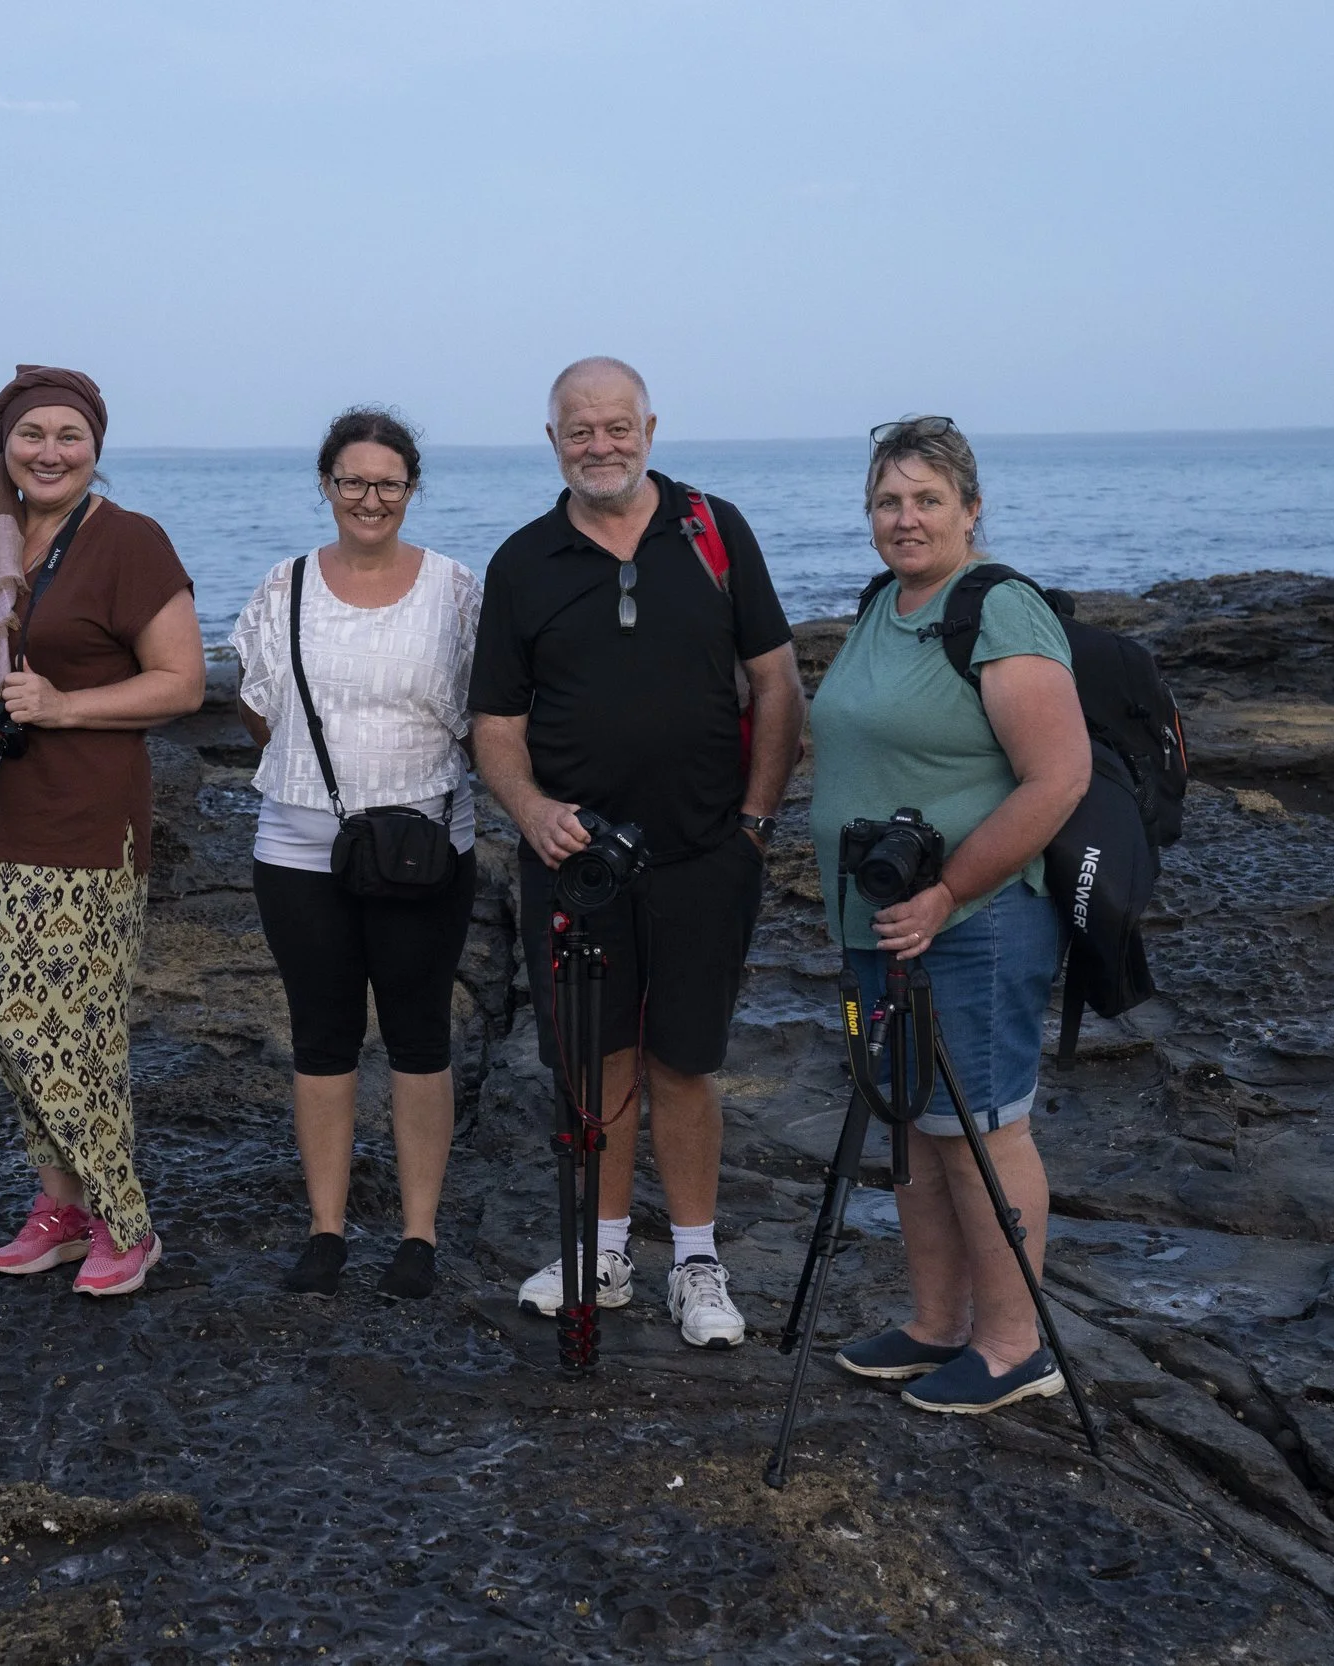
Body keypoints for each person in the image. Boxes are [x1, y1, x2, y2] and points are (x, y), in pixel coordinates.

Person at [468, 357, 805, 1348]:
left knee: (685, 1062)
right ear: (553, 441)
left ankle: (696, 1261)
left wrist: (754, 823)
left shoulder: (713, 530)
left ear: (649, 428)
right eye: (580, 429)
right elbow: (493, 723)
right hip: (575, 863)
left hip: (707, 853)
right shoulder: (522, 561)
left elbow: (778, 685)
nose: (600, 443)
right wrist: (530, 811)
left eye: (617, 426)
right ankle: (604, 1250)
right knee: (592, 1059)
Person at [0, 366, 205, 1298]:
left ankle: (128, 1222)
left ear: (96, 447)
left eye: (69, 435)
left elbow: (183, 683)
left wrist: (65, 705)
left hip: (78, 828)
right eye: (30, 433)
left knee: (63, 1032)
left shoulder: (130, 543)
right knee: (8, 1027)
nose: (49, 451)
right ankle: (61, 1209)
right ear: (4, 443)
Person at [810, 415, 1090, 1415]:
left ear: (972, 509)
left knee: (982, 1126)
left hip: (972, 920)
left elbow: (1057, 776)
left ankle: (1014, 1345)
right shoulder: (884, 603)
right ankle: (935, 1325)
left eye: (927, 499)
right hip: (883, 921)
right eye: (887, 500)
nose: (905, 517)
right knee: (918, 1129)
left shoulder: (1000, 610)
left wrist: (947, 891)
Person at [230, 408, 482, 1300]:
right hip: (299, 849)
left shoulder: (456, 589)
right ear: (326, 485)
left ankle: (418, 1235)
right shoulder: (282, 584)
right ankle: (326, 1229)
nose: (370, 499)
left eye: (389, 483)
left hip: (426, 851)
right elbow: (257, 705)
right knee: (321, 1037)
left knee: (420, 1039)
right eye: (353, 481)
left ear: (412, 490)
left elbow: (486, 714)